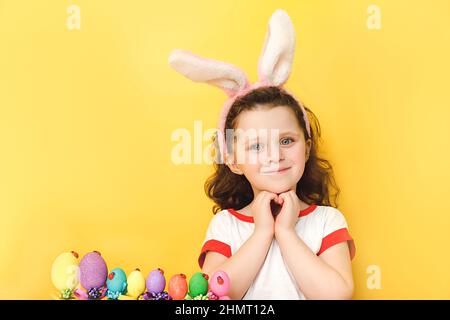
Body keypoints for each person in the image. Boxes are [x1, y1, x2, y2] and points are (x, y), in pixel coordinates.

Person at [169, 9, 356, 300]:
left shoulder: (326, 221)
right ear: (233, 159)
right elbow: (212, 296)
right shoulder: (226, 226)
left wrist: (287, 233)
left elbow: (336, 295)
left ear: (306, 146)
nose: (274, 156)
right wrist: (262, 232)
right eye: (256, 146)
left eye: (286, 140)